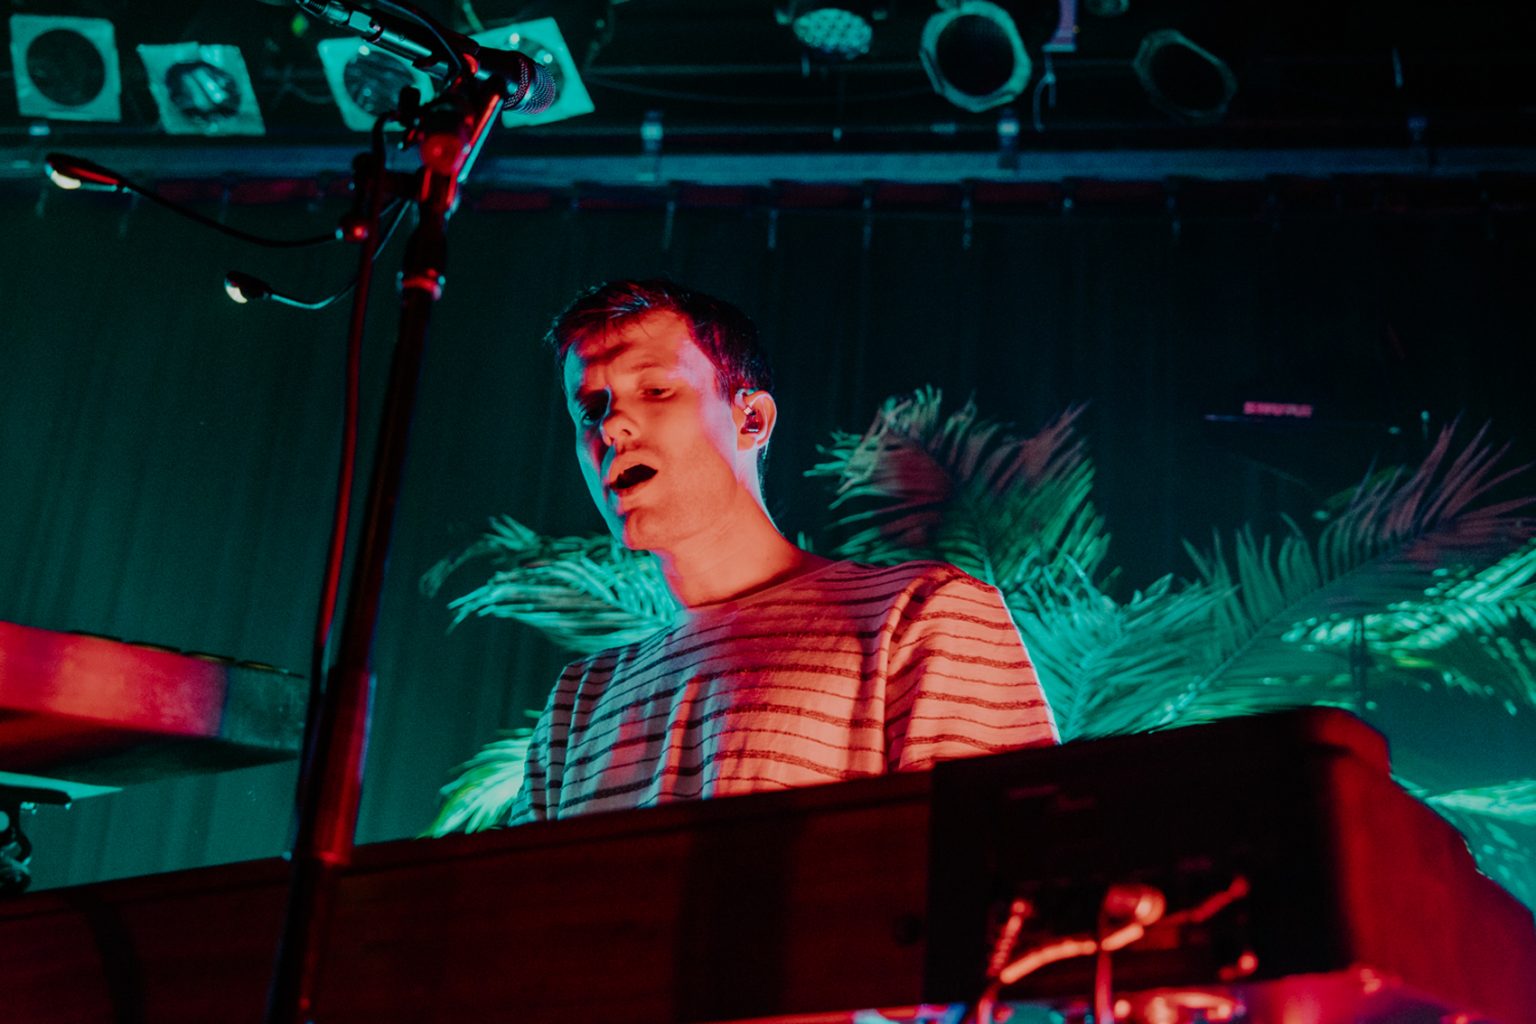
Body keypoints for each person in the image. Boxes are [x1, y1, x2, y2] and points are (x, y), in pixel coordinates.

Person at [509, 279, 1056, 822]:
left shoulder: (921, 617)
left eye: (655, 390)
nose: (612, 425)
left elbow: (997, 856)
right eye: (591, 409)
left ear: (752, 420)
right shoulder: (577, 705)